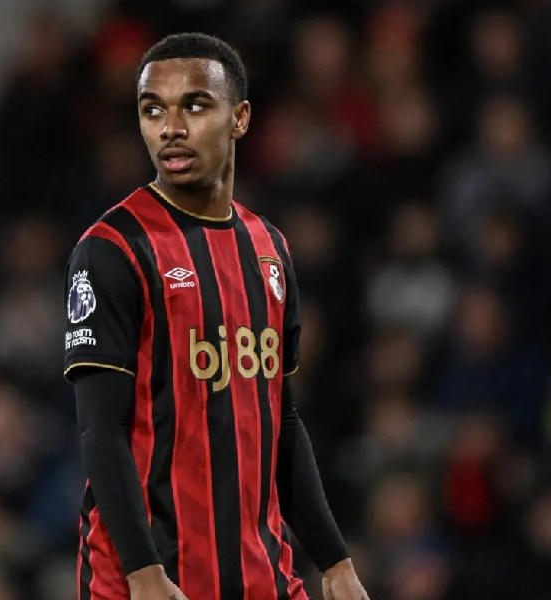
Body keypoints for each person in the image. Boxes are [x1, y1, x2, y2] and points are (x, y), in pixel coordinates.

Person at [63, 32, 368, 600]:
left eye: (195, 105)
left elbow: (282, 420)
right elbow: (100, 429)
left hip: (261, 576)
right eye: (153, 110)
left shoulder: (270, 248)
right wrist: (143, 573)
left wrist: (334, 562)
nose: (171, 128)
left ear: (240, 118)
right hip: (152, 579)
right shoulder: (112, 249)